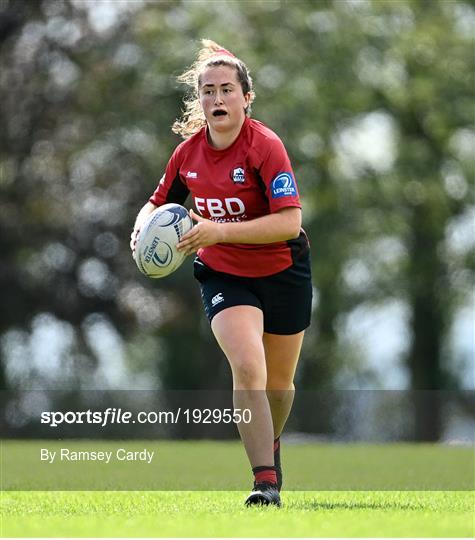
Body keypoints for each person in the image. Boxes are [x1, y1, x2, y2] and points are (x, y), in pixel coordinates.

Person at [130, 39, 312, 507]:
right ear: (200, 101)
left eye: (226, 89)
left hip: (284, 270)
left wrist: (218, 231)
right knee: (248, 367)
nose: (217, 99)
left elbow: (289, 221)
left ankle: (268, 442)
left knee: (279, 384)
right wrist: (141, 229)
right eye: (207, 91)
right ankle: (265, 483)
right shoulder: (187, 155)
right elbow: (157, 201)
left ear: (246, 98)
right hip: (223, 275)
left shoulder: (265, 147)